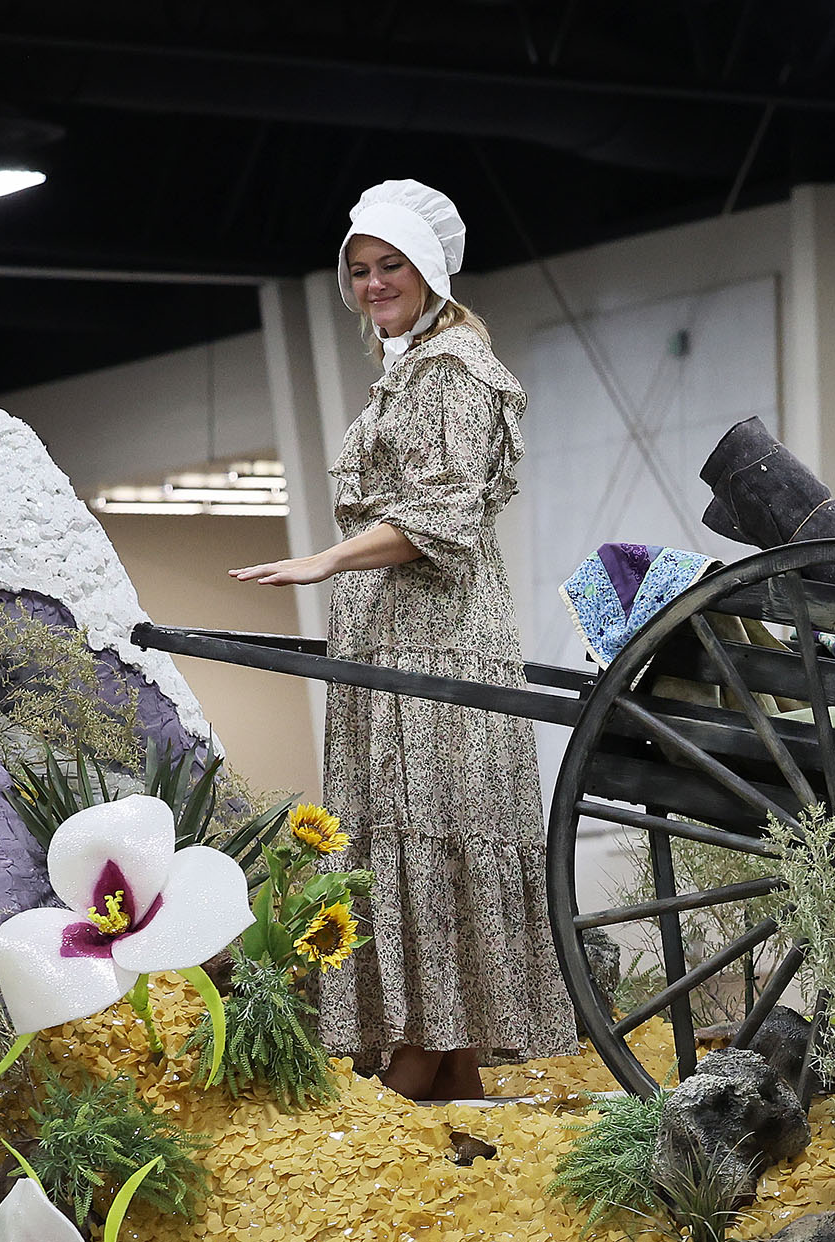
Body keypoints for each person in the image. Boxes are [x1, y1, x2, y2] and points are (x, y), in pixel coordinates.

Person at [232, 178, 578, 1103]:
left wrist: (327, 560)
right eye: (360, 269)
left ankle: (421, 1049)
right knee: (410, 826)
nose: (374, 282)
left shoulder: (452, 372)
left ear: (429, 271)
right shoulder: (412, 368)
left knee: (430, 820)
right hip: (396, 639)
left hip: (435, 638)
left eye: (391, 266)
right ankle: (452, 1063)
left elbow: (444, 513)